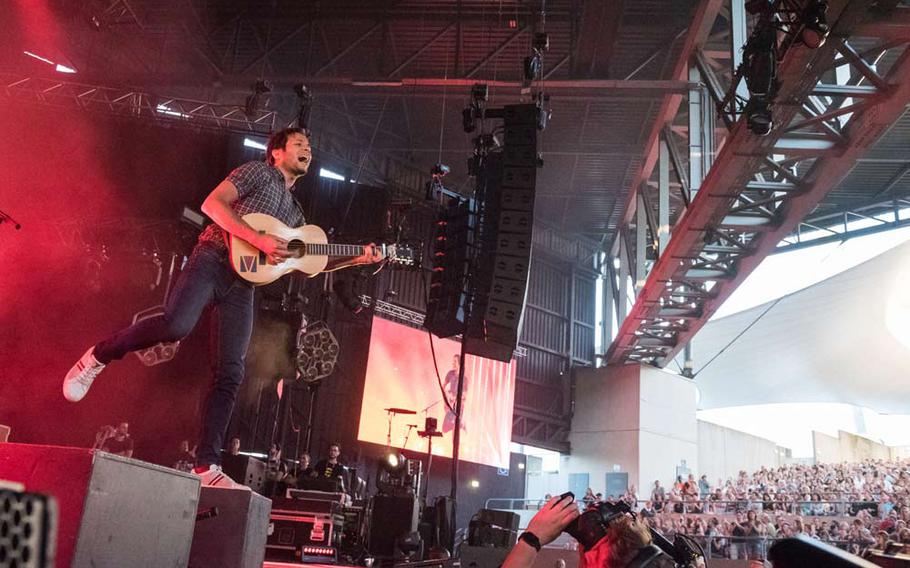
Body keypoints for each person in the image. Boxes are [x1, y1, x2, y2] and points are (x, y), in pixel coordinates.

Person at [62, 127, 382, 487]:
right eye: (299, 144)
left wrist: (356, 259)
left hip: (243, 285)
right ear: (276, 153)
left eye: (309, 145)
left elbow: (310, 261)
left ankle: (207, 466)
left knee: (231, 371)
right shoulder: (257, 172)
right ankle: (98, 356)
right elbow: (212, 204)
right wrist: (255, 236)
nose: (308, 148)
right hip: (212, 259)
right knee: (175, 326)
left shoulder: (296, 214)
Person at [442, 354, 469, 434]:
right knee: (445, 429)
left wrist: (457, 399)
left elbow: (465, 396)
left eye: (455, 361)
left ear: (460, 363)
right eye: (452, 361)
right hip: (449, 405)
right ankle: (461, 425)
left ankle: (461, 425)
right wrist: (447, 397)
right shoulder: (450, 373)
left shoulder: (464, 379)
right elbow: (443, 387)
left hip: (458, 407)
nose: (452, 363)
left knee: (453, 428)